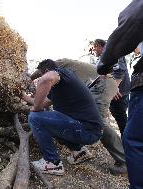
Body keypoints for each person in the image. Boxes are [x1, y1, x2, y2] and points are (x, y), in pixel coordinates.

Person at [23, 59, 103, 175]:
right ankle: (79, 151)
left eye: (41, 74)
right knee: (50, 120)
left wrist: (36, 107)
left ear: (46, 70)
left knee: (34, 117)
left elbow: (46, 79)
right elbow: (41, 102)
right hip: (90, 130)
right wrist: (22, 95)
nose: (41, 77)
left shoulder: (59, 73)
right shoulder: (61, 84)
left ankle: (53, 163)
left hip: (87, 131)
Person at [97, 0, 143, 188]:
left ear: (101, 46)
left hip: (121, 92)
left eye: (96, 48)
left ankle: (126, 159)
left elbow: (133, 17)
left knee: (135, 139)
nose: (94, 50)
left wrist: (104, 62)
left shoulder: (116, 55)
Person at [54, 58, 126, 175]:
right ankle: (79, 150)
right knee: (82, 116)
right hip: (100, 84)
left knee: (98, 122)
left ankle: (124, 161)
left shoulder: (58, 64)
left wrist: (30, 79)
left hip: (101, 84)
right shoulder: (63, 70)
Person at [93, 39, 130, 137]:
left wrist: (113, 89)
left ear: (99, 46)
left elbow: (119, 72)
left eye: (94, 47)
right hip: (112, 92)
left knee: (121, 118)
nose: (93, 50)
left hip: (119, 92)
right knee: (118, 116)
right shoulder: (102, 58)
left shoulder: (113, 52)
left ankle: (127, 144)